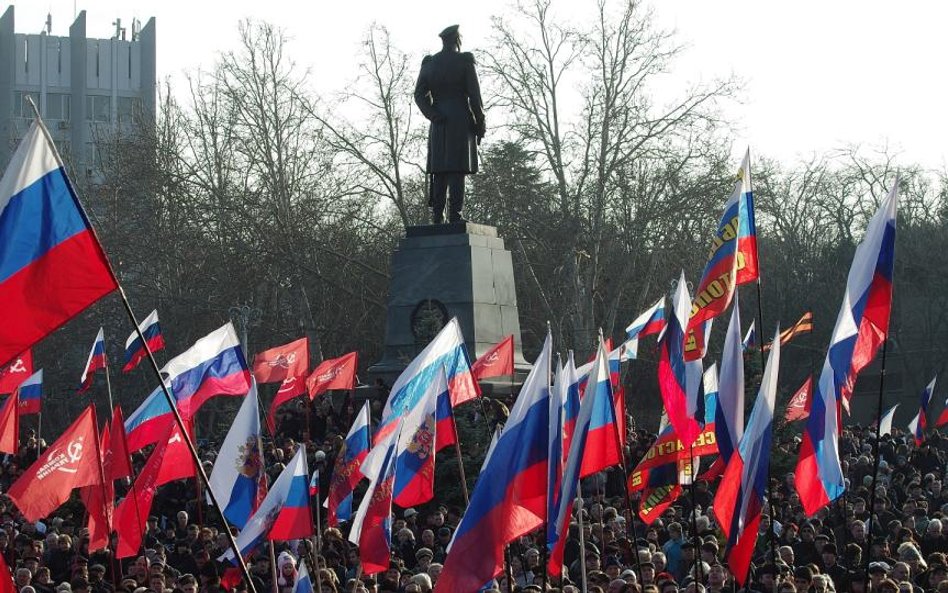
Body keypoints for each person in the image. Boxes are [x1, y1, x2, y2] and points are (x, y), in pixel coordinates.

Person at [414, 24, 486, 224]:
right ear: (457, 40)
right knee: (456, 169)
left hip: (439, 121)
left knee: (440, 169)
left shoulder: (429, 64)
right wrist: (480, 122)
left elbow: (419, 95)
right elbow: (475, 97)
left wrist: (433, 115)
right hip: (460, 119)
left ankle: (438, 215)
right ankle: (455, 214)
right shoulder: (464, 62)